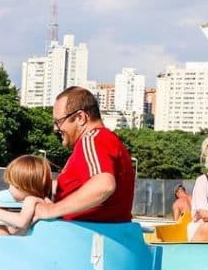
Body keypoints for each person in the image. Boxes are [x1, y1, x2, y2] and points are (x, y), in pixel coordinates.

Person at [32, 86, 135, 224]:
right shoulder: (102, 141)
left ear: (80, 117)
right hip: (100, 235)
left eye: (59, 121)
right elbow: (76, 186)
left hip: (89, 238)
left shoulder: (92, 138)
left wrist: (50, 210)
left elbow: (104, 185)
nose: (55, 128)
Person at [0, 155, 53, 235]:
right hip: (16, 239)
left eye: (13, 185)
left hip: (13, 244)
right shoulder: (40, 200)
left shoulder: (31, 200)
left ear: (26, 187)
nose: (9, 189)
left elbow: (22, 222)